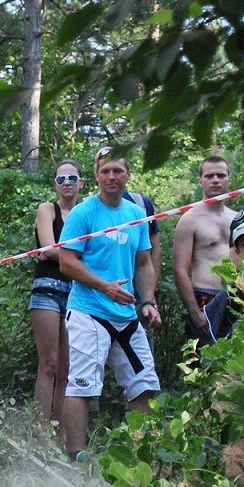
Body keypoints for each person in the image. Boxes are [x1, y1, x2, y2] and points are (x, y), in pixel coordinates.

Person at [55, 146, 161, 462]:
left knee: (146, 386)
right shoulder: (83, 213)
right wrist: (104, 287)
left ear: (128, 175)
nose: (111, 177)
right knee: (83, 385)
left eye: (118, 171)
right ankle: (76, 456)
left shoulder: (136, 214)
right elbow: (66, 261)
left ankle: (136, 457)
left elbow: (144, 263)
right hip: (89, 311)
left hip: (127, 315)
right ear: (96, 176)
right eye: (105, 171)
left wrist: (148, 301)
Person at [29, 159, 82, 433]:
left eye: (72, 178)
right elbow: (48, 248)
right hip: (48, 289)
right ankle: (39, 434)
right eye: (61, 179)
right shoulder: (47, 209)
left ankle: (63, 434)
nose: (66, 184)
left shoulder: (87, 213)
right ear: (55, 184)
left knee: (67, 368)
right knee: (48, 364)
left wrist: (67, 257)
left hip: (77, 293)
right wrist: (84, 258)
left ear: (81, 183)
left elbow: (54, 252)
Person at [172, 154, 239, 344]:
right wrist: (194, 312)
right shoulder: (190, 219)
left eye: (221, 175)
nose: (215, 180)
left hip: (236, 298)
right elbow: (179, 269)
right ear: (200, 180)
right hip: (205, 298)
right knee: (204, 366)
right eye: (209, 176)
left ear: (229, 180)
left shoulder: (237, 218)